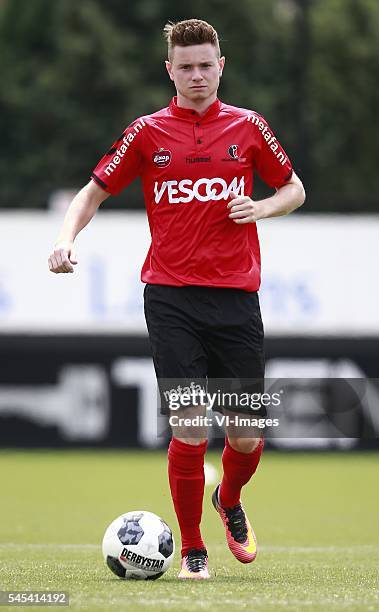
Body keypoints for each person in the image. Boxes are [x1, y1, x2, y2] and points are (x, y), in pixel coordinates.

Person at [48, 18, 305, 579]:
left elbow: (294, 188)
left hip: (236, 298)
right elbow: (92, 191)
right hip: (170, 297)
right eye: (184, 66)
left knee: (246, 433)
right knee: (190, 425)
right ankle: (192, 548)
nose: (196, 74)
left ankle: (229, 499)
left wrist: (260, 208)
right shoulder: (147, 132)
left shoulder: (248, 126)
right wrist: (66, 239)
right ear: (170, 70)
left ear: (220, 67)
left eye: (205, 64)